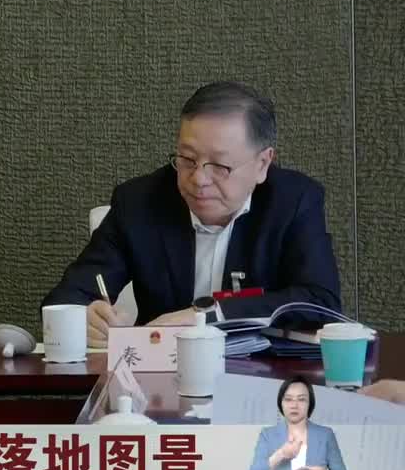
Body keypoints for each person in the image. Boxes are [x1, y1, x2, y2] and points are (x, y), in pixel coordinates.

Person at [42, 82, 340, 347]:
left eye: (219, 166)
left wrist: (208, 314)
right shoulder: (138, 202)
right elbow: (65, 299)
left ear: (262, 163)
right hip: (161, 377)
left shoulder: (293, 201)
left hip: (265, 377)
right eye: (187, 159)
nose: (198, 179)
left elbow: (320, 302)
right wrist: (84, 318)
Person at [248, 375, 350, 470]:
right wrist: (280, 454)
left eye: (301, 399)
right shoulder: (268, 435)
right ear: (281, 403)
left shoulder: (325, 434)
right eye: (288, 399)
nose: (294, 405)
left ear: (310, 403)